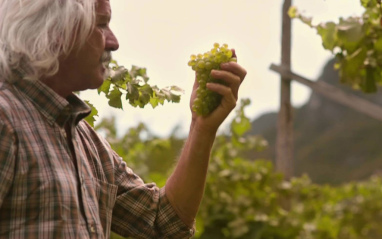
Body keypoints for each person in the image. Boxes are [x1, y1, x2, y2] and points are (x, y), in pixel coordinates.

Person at [0, 0, 247, 238]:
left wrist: (201, 128)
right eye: (101, 24)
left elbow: (164, 223)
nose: (114, 42)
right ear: (54, 30)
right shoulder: (5, 122)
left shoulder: (84, 141)